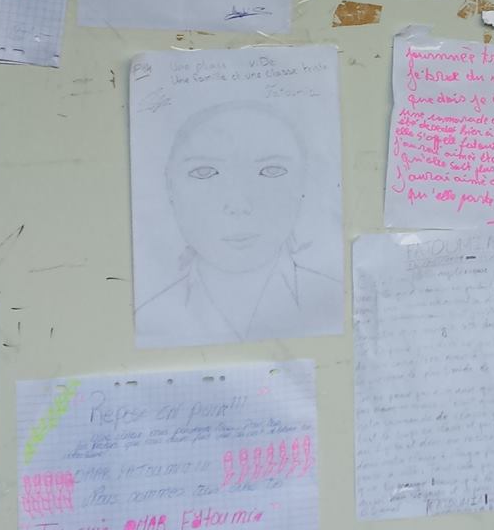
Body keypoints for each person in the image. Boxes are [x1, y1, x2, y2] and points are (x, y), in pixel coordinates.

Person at [134, 100, 340, 346]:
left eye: (271, 171)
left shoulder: (337, 301)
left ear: (304, 182)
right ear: (170, 186)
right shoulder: (149, 317)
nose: (239, 204)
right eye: (204, 173)